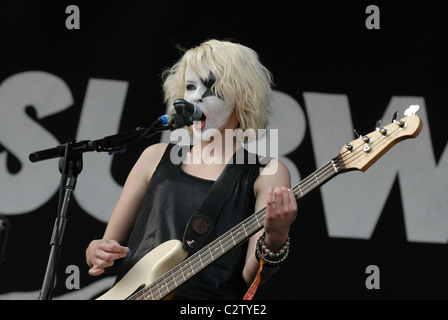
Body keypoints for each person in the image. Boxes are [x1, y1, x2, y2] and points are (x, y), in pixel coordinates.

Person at [85, 39, 298, 300]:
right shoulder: (154, 157)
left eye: (212, 88)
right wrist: (96, 251)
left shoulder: (268, 173)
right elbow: (106, 245)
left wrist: (276, 238)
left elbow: (253, 278)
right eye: (190, 86)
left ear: (242, 96)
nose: (196, 97)